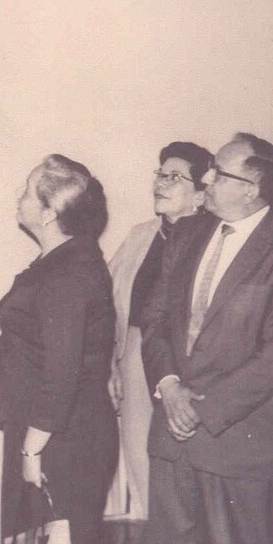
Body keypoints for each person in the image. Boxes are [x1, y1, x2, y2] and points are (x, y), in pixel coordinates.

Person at [141, 133, 273, 544]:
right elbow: (154, 320)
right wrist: (168, 386)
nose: (206, 179)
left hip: (241, 444)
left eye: (219, 173)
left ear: (252, 188)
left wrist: (199, 409)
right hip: (172, 440)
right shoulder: (187, 235)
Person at [0, 155, 117, 544]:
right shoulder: (67, 260)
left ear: (48, 212)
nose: (18, 198)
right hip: (57, 432)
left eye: (27, 191)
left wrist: (31, 449)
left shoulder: (66, 273)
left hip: (59, 439)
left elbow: (61, 375)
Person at [106, 141, 213, 520]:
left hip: (188, 361)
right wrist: (110, 363)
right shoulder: (141, 235)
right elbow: (106, 299)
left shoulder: (212, 238)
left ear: (200, 194)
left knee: (184, 461)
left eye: (175, 177)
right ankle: (152, 535)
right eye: (160, 175)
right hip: (136, 356)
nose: (161, 183)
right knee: (139, 454)